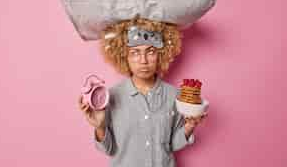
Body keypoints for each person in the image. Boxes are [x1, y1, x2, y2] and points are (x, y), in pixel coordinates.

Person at [78, 16, 208, 167]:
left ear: (161, 54)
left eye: (150, 51)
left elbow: (172, 145)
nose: (143, 60)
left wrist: (189, 126)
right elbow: (108, 149)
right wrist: (99, 127)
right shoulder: (110, 97)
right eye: (135, 53)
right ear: (123, 56)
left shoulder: (175, 96)